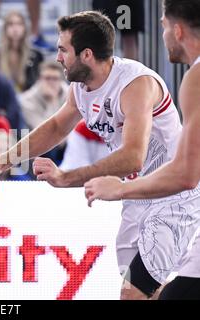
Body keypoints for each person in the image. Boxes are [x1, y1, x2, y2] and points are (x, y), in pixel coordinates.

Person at [0, 10, 200, 300]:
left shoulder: (136, 85)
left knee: (133, 293)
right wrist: (6, 159)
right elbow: (57, 125)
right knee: (149, 291)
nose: (58, 57)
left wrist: (67, 177)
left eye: (63, 50)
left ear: (86, 55)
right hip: (136, 196)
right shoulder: (80, 86)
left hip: (172, 193)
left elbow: (133, 157)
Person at [84, 0, 200, 299]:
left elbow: (185, 175)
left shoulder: (194, 79)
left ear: (177, 31)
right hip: (161, 202)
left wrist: (119, 189)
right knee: (142, 292)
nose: (161, 36)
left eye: (161, 27)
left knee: (139, 293)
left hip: (174, 201)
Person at [0, 10, 44, 92]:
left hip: (29, 99)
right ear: (5, 29)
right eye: (11, 24)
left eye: (19, 24)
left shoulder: (36, 55)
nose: (15, 28)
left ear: (24, 28)